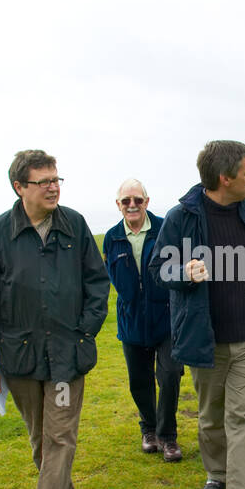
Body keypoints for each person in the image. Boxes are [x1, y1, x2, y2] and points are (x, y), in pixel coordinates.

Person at [0, 150, 109, 489]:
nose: (54, 187)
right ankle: (59, 486)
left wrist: (85, 329)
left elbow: (97, 281)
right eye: (43, 181)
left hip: (67, 357)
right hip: (21, 357)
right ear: (20, 187)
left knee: (59, 437)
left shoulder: (75, 225)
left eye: (57, 179)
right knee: (39, 437)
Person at [148, 140, 245, 489]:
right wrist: (183, 273)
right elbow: (158, 270)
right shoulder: (181, 218)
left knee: (244, 418)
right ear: (225, 178)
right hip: (204, 339)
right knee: (210, 418)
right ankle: (216, 476)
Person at [102, 179, 184, 462]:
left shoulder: (164, 229)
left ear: (147, 201)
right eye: (126, 201)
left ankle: (168, 436)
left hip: (166, 319)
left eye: (137, 199)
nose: (132, 205)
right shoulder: (111, 237)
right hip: (131, 321)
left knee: (171, 375)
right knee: (139, 381)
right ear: (118, 205)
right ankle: (148, 430)